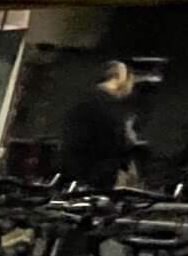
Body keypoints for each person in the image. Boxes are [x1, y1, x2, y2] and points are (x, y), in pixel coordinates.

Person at [57, 60, 141, 189]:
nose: (130, 89)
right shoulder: (113, 106)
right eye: (131, 83)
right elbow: (119, 141)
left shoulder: (81, 100)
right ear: (120, 78)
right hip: (101, 175)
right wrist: (129, 138)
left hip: (73, 171)